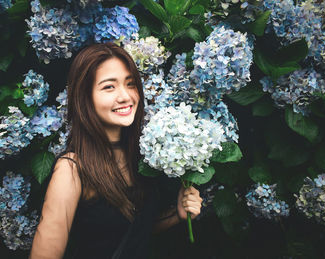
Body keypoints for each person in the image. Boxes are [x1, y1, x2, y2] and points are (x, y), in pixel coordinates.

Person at [29, 43, 203, 259]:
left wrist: (178, 215)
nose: (125, 96)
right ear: (85, 98)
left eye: (130, 84)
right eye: (109, 87)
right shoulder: (71, 168)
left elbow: (131, 232)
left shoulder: (141, 158)